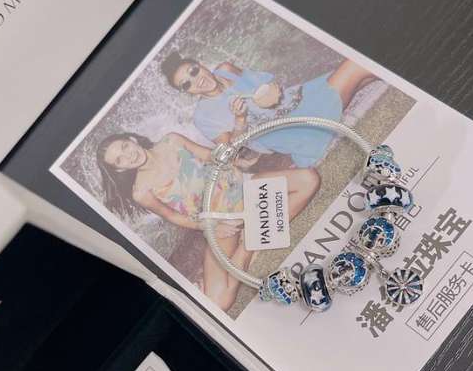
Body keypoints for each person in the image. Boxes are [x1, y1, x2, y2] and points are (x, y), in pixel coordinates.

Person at [97, 131, 320, 310]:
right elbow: (173, 216)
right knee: (218, 302)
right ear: (119, 168)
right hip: (220, 221)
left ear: (132, 139)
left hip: (245, 189)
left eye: (124, 146)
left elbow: (211, 156)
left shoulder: (172, 140)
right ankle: (250, 244)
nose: (128, 155)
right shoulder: (141, 192)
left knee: (309, 179)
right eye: (119, 159)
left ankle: (254, 235)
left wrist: (232, 159)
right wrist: (213, 226)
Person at [161, 53, 373, 167]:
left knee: (365, 74)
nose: (196, 80)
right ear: (186, 92)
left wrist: (273, 91)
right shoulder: (203, 116)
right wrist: (240, 120)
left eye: (193, 71)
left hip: (296, 98)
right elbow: (231, 151)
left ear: (200, 64)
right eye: (186, 84)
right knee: (356, 65)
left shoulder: (226, 69)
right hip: (288, 131)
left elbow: (270, 84)